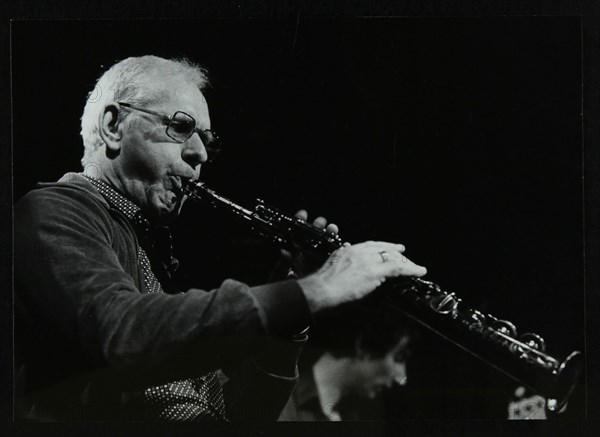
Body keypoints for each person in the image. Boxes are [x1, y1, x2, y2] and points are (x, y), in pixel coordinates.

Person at [13, 55, 427, 422]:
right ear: (113, 126)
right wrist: (312, 290)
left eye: (206, 140)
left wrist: (291, 322)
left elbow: (241, 418)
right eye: (181, 127)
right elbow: (122, 333)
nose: (201, 154)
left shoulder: (149, 248)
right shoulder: (54, 210)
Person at [279, 306, 415, 421]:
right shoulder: (279, 392)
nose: (401, 378)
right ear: (364, 347)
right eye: (399, 357)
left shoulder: (351, 419)